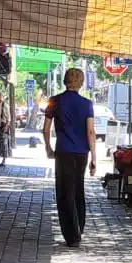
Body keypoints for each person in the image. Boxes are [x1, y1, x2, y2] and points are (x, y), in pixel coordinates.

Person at [42, 67, 97, 247]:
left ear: (65, 81)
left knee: (65, 192)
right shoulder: (87, 104)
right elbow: (90, 131)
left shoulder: (54, 101)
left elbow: (46, 128)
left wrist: (49, 148)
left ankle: (72, 235)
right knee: (78, 189)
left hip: (64, 151)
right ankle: (79, 227)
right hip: (82, 153)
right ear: (80, 82)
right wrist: (94, 157)